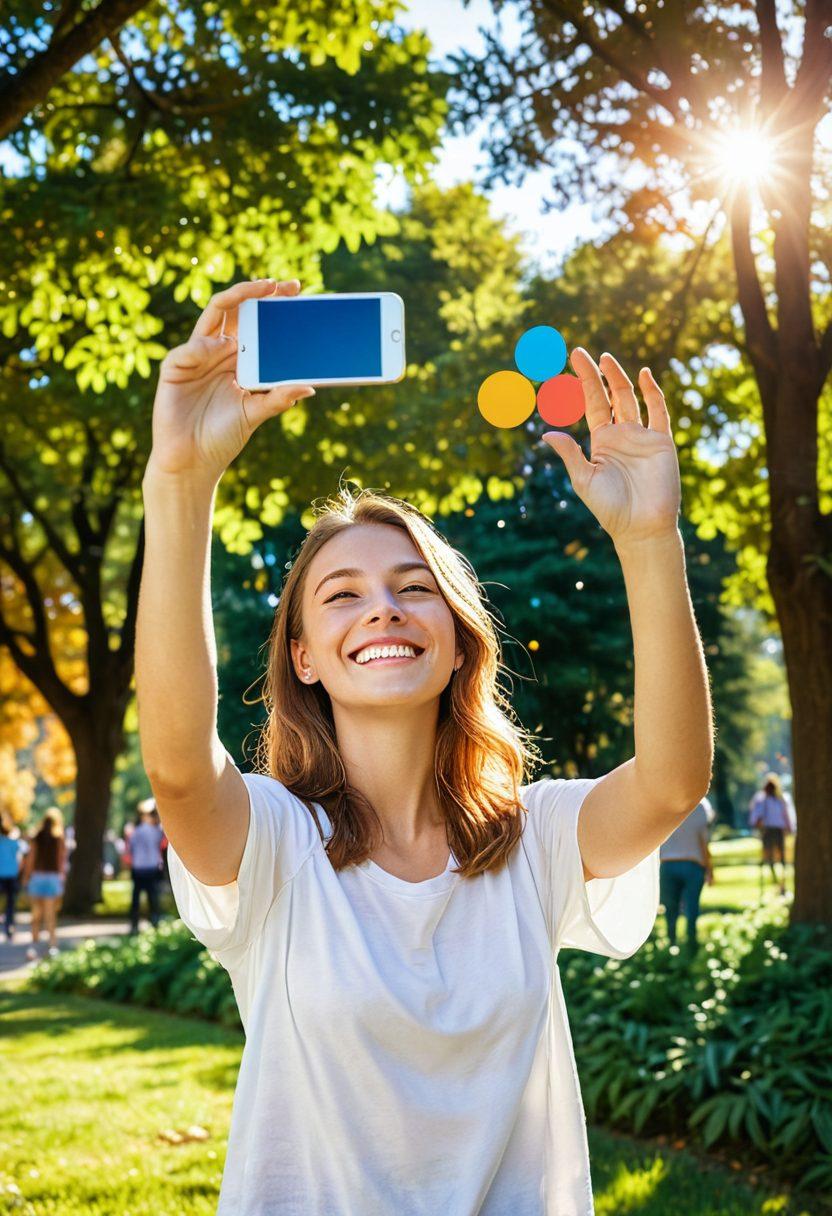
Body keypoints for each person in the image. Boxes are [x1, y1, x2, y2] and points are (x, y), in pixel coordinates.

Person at [135, 278, 713, 1214]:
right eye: (342, 596)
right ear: (306, 659)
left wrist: (650, 537)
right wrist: (181, 480)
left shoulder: (536, 840)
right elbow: (175, 763)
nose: (384, 608)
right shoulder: (274, 845)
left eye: (413, 586)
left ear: (455, 639)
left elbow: (675, 780)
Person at [659, 795, 715, 954]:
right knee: (692, 907)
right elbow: (703, 842)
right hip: (693, 864)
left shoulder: (664, 804)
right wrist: (710, 869)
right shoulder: (701, 806)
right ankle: (691, 944)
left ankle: (671, 944)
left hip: (668, 864)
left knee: (671, 908)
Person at [21, 807, 67, 960]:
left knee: (36, 915)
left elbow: (30, 860)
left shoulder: (36, 838)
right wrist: (62, 880)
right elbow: (62, 862)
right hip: (52, 879)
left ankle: (33, 946)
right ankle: (52, 946)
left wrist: (26, 877)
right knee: (50, 915)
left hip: (37, 878)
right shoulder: (59, 839)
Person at [748, 772, 795, 897]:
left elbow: (786, 815)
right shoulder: (762, 798)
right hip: (769, 830)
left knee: (781, 858)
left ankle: (782, 885)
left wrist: (789, 828)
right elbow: (756, 817)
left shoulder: (781, 799)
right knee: (769, 858)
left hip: (777, 830)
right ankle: (777, 883)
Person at [128, 798, 165, 933]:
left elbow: (130, 849)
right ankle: (155, 921)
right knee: (152, 897)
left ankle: (134, 924)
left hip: (138, 867)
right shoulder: (156, 831)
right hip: (151, 867)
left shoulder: (135, 832)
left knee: (136, 897)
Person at [0, 813, 28, 941]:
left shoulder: (12, 842)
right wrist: (18, 870)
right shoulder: (13, 842)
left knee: (10, 903)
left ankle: (8, 926)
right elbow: (22, 859)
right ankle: (9, 927)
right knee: (10, 904)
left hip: (4, 876)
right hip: (11, 875)